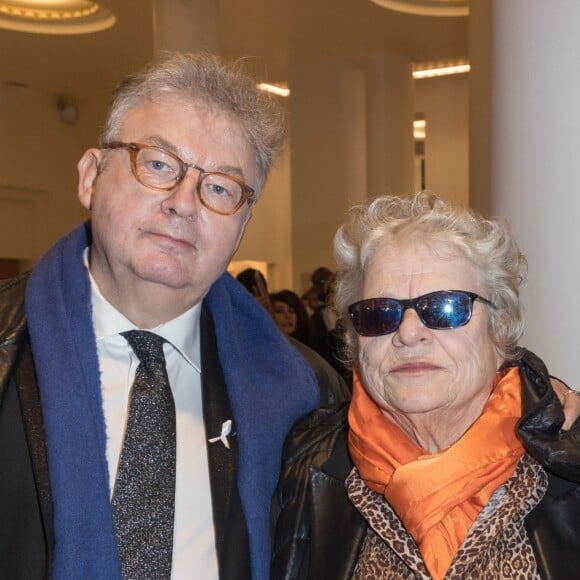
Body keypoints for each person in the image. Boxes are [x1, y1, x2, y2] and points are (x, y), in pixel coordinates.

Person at [0, 52, 349, 580]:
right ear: (91, 177)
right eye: (159, 163)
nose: (184, 203)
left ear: (242, 226)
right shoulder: (8, 350)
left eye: (219, 189)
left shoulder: (305, 394)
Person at [271, 192, 580, 579]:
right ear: (355, 340)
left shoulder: (566, 457)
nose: (409, 332)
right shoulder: (299, 465)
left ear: (499, 328)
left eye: (445, 307)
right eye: (380, 313)